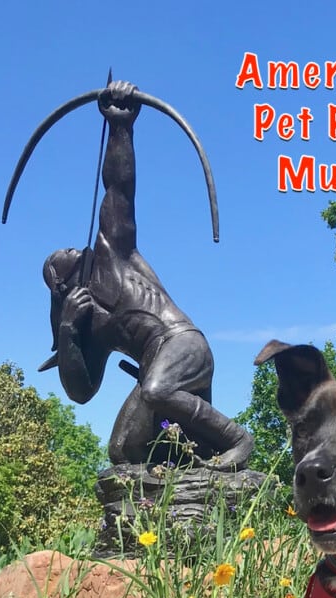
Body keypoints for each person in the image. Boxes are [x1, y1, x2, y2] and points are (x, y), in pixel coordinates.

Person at [42, 80, 252, 469]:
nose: (75, 248)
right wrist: (69, 331)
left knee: (156, 389)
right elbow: (82, 391)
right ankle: (184, 473)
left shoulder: (113, 255)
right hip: (159, 369)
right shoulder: (89, 322)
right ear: (61, 282)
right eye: (65, 254)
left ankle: (239, 439)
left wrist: (121, 128)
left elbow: (118, 188)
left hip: (183, 345)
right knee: (123, 452)